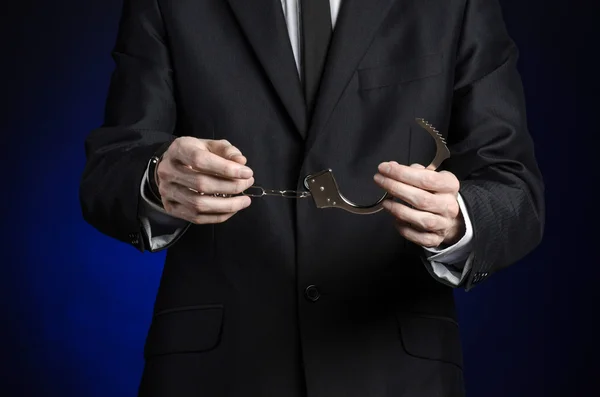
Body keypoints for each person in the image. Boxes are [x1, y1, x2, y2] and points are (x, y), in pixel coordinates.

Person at [79, 0, 545, 395]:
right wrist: (157, 180)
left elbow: (513, 186)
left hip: (396, 373)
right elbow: (109, 168)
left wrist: (458, 221)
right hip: (215, 373)